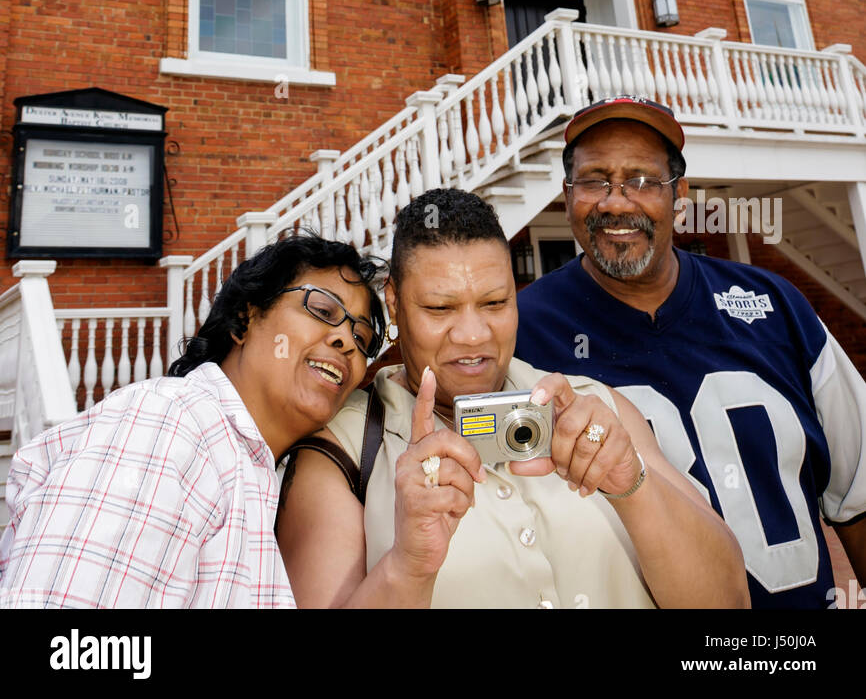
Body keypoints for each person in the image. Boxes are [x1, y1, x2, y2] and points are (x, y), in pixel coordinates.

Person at [278, 188, 749, 609]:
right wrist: (406, 566)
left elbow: (729, 602)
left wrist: (632, 487)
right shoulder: (341, 451)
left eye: (495, 303)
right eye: (440, 308)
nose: (472, 335)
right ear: (395, 303)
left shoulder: (596, 406)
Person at [515, 94, 866, 610]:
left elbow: (858, 496)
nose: (615, 202)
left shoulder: (776, 305)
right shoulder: (525, 332)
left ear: (679, 195)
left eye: (641, 179)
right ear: (566, 196)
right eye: (594, 180)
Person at [0, 233, 385, 609]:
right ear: (244, 319)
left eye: (363, 337)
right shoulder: (168, 426)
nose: (346, 341)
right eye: (321, 311)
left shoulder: (251, 469)